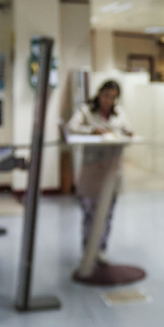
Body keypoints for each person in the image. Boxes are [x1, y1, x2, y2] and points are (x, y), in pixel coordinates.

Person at [66, 80, 139, 286]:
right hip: (92, 168)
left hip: (112, 168)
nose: (109, 100)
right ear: (99, 94)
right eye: (106, 96)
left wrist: (128, 133)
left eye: (113, 97)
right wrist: (92, 131)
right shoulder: (86, 111)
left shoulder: (119, 113)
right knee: (90, 211)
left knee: (108, 211)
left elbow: (128, 129)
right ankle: (88, 249)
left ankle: (102, 249)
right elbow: (72, 127)